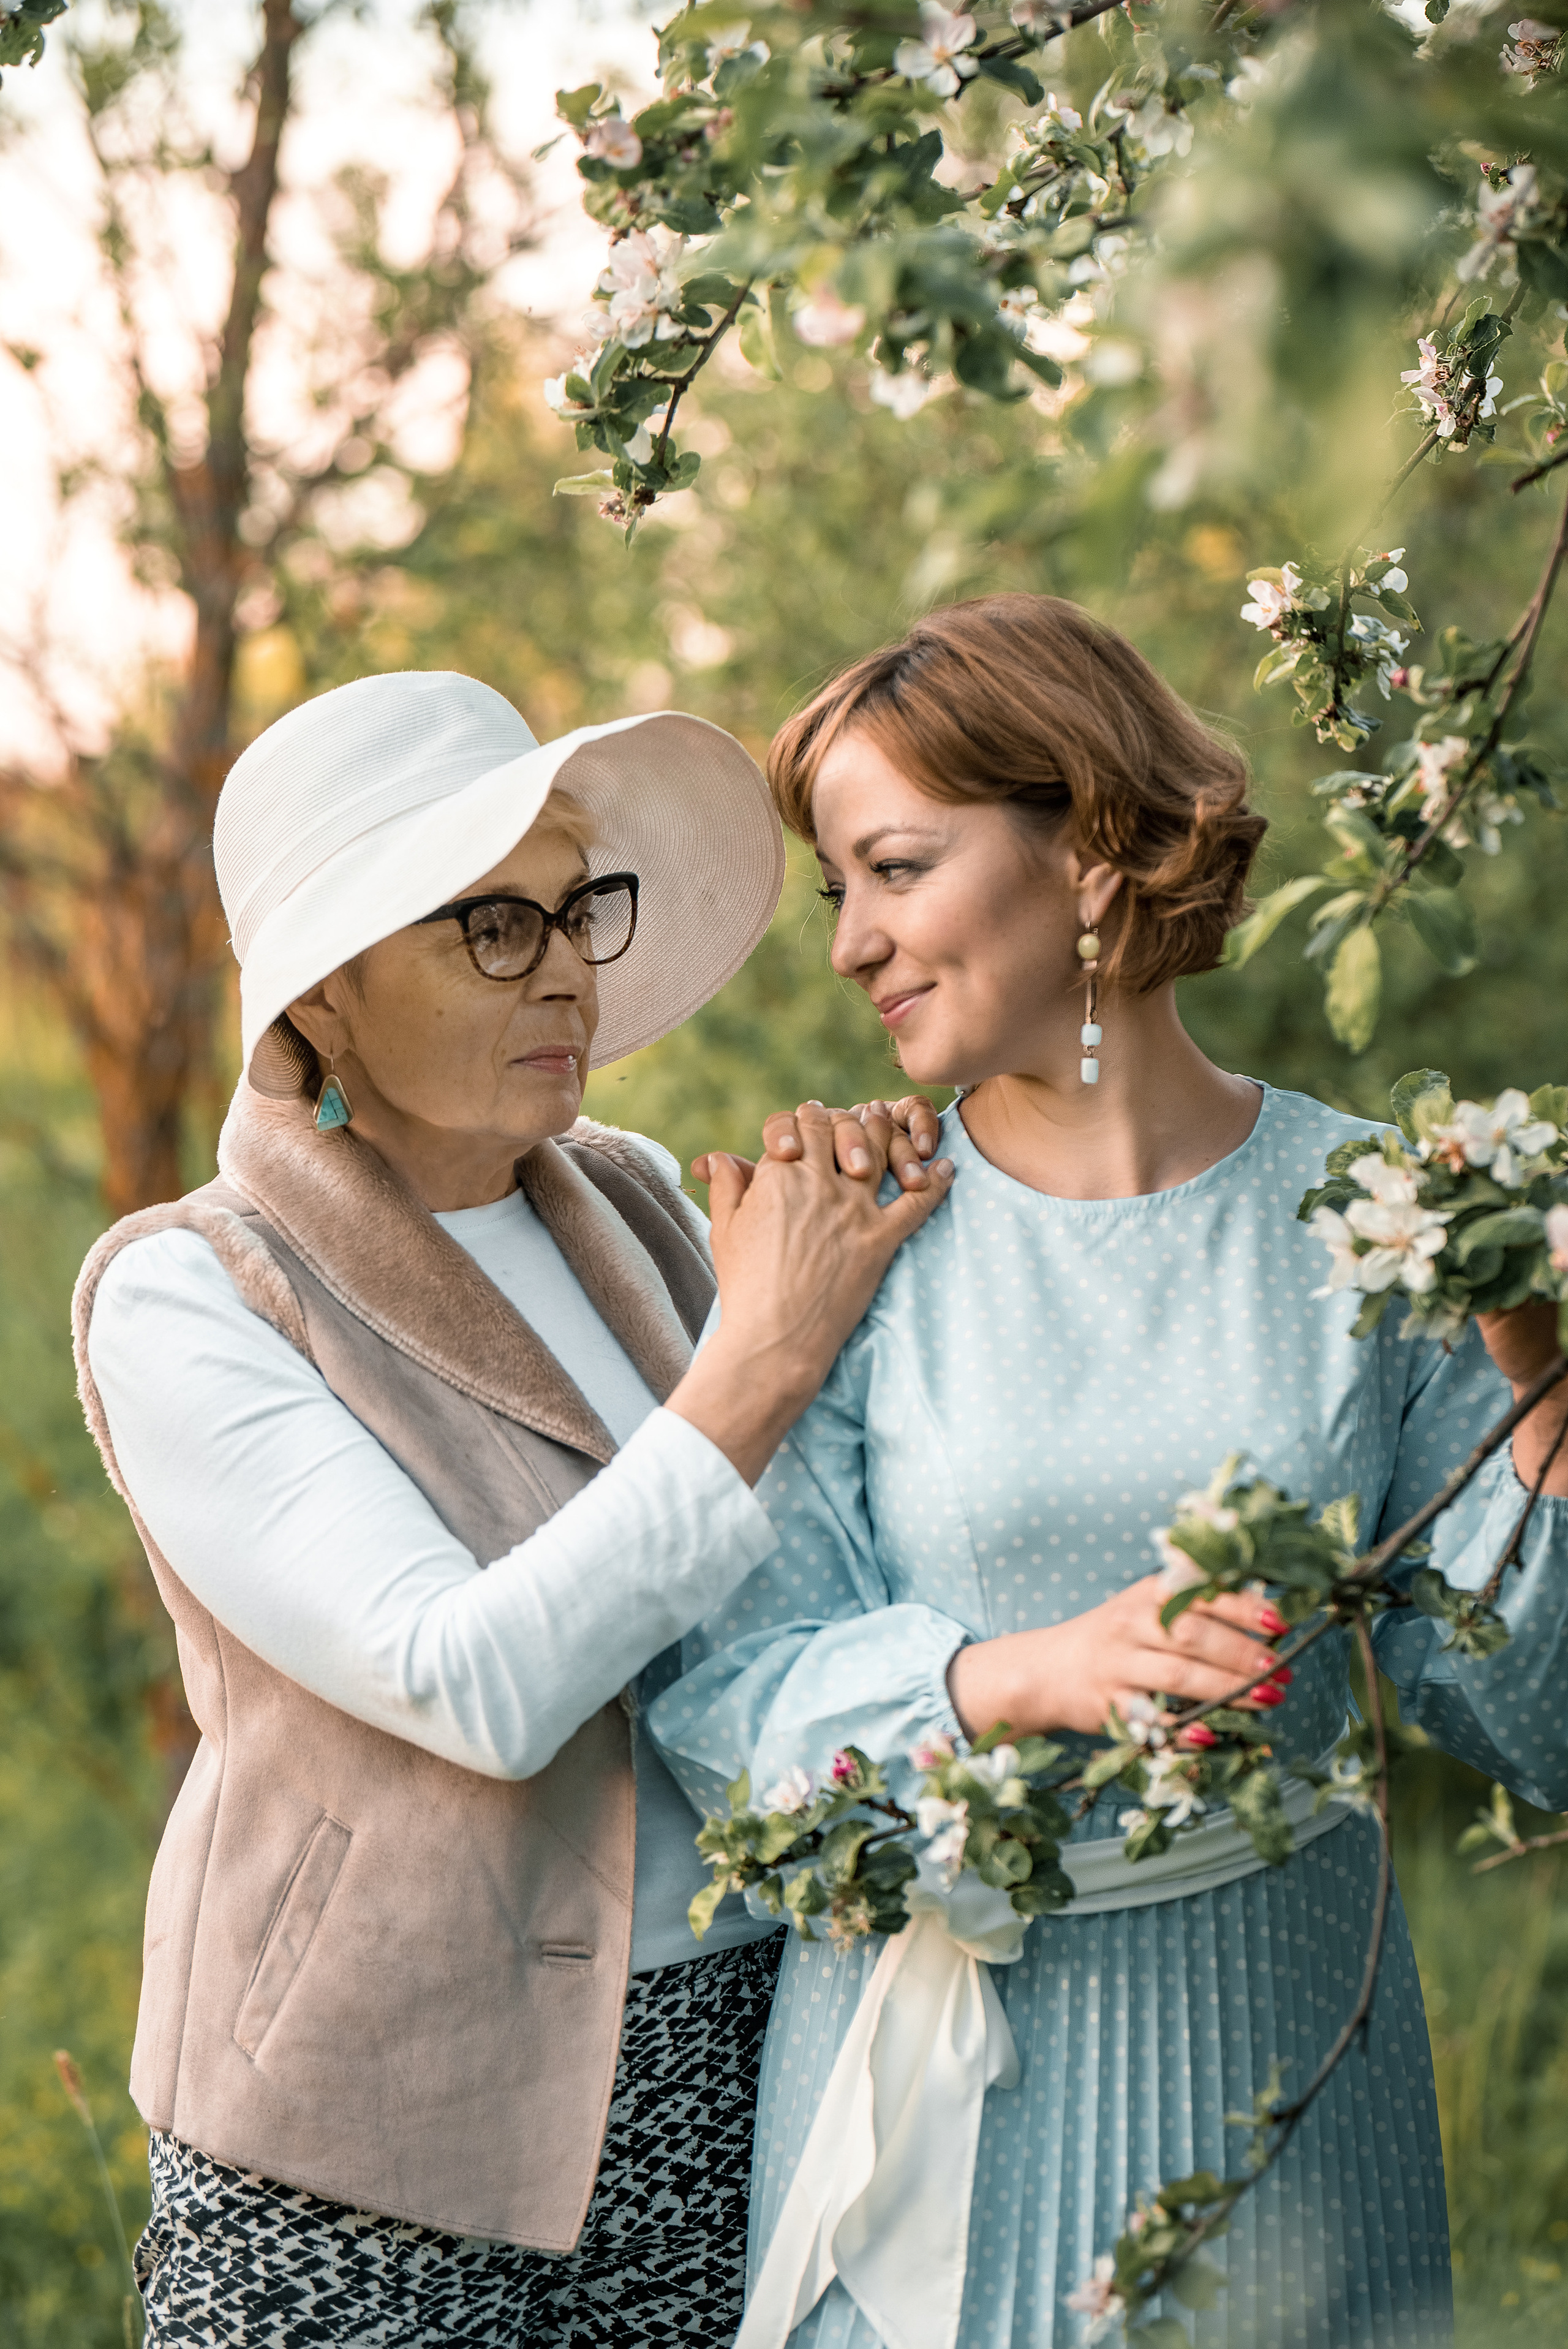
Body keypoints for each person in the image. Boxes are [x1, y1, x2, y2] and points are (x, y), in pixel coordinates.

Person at [649, 594, 1568, 2349]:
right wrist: (1016, 1678)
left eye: (895, 866)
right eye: (841, 886)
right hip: (941, 2112)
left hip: (1285, 2067)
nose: (849, 940)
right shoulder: (850, 1234)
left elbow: (1539, 1721)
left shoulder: (1383, 1221)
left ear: (1087, 848)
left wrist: (1537, 1389)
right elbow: (724, 1714)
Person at [73, 669, 954, 2348]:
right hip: (366, 2145)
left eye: (572, 909)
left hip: (723, 2084)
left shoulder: (628, 1196)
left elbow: (808, 1569)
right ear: (324, 991)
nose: (562, 964)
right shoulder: (192, 1293)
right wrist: (763, 1358)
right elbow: (470, 1680)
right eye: (488, 923)